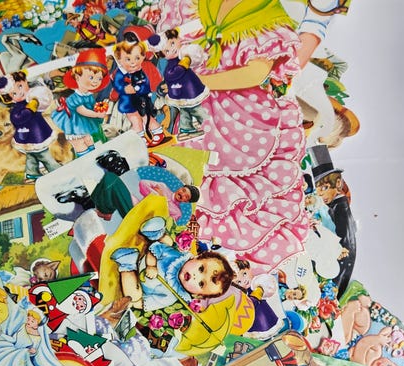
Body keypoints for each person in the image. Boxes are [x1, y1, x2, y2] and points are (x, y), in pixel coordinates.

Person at [157, 0, 311, 272]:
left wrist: (200, 82)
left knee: (228, 189)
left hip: (236, 116)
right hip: (184, 100)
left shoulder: (264, 11)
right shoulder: (191, 5)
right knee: (171, 167)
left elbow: (257, 71)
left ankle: (205, 257)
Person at [110, 216, 234, 310]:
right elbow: (156, 248)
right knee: (168, 242)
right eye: (201, 269)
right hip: (146, 260)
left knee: (133, 298)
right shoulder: (176, 259)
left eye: (201, 284)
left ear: (197, 295)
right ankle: (156, 232)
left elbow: (144, 303)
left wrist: (136, 303)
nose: (195, 276)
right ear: (197, 258)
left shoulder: (170, 297)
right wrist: (151, 265)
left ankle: (128, 264)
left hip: (138, 282)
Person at [0, 70, 61, 183]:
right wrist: (30, 109)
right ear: (10, 98)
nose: (19, 93)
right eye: (14, 94)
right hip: (30, 136)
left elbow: (43, 107)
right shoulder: (17, 108)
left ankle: (32, 173)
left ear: (25, 82)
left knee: (31, 156)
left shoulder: (32, 98)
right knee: (43, 154)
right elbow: (17, 118)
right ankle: (55, 168)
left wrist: (40, 103)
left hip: (38, 132)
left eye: (20, 86)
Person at [147, 28, 209, 140]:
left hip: (189, 89)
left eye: (172, 43)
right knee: (192, 110)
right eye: (167, 51)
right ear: (164, 55)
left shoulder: (183, 55)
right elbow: (170, 75)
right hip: (183, 92)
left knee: (187, 110)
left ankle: (189, 127)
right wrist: (182, 66)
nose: (172, 49)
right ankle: (197, 125)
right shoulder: (172, 64)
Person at [311, 144, 356, 297]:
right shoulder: (331, 206)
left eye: (324, 188)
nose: (321, 195)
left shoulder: (340, 207)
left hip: (336, 264)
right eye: (317, 191)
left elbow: (346, 241)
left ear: (337, 184)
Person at [52, 48, 109, 156]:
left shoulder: (89, 95)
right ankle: (86, 158)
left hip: (85, 123)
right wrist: (96, 114)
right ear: (77, 77)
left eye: (99, 78)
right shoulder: (75, 97)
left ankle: (96, 155)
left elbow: (91, 106)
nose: (95, 81)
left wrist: (99, 109)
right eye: (91, 77)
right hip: (75, 124)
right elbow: (81, 110)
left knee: (89, 140)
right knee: (79, 143)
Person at [112, 39, 166, 147]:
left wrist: (139, 89)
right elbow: (117, 84)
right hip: (128, 103)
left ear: (142, 57)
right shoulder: (120, 73)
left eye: (137, 58)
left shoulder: (141, 71)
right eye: (128, 59)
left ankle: (158, 132)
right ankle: (140, 138)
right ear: (119, 60)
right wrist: (124, 89)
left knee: (147, 117)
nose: (133, 62)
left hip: (142, 101)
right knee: (135, 120)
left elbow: (146, 84)